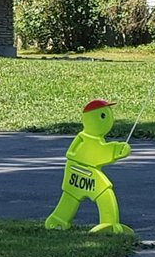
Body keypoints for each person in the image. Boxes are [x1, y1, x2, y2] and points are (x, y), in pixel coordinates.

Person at [44, 99, 133, 234]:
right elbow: (98, 152)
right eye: (103, 115)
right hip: (82, 171)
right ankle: (108, 222)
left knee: (71, 196)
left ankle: (58, 219)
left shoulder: (82, 138)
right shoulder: (86, 139)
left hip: (78, 171)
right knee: (103, 192)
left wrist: (115, 149)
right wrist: (115, 150)